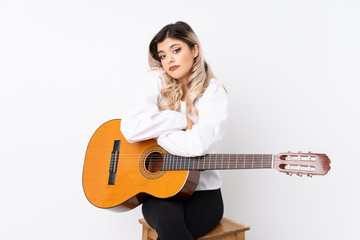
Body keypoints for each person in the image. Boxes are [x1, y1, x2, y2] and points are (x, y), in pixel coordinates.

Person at [121, 21, 229, 240]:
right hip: (158, 191)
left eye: (176, 50)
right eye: (162, 55)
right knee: (171, 228)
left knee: (173, 234)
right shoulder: (156, 80)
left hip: (203, 193)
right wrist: (180, 120)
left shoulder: (213, 92)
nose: (168, 59)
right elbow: (131, 129)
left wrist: (158, 134)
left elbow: (197, 145)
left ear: (194, 49)